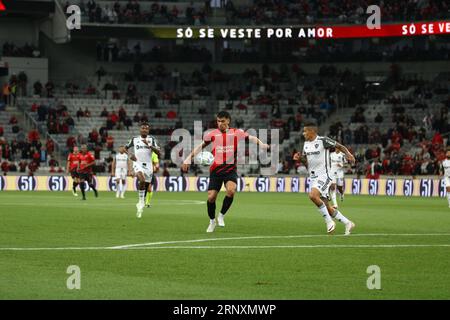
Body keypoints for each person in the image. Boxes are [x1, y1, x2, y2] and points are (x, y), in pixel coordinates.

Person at [182, 110, 269, 233]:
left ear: (228, 121)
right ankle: (212, 221)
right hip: (215, 171)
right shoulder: (212, 134)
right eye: (218, 121)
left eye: (222, 121)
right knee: (211, 197)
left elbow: (252, 137)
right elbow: (200, 146)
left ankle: (221, 215)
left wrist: (262, 144)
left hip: (230, 169)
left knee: (231, 191)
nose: (220, 123)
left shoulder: (236, 133)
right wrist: (187, 159)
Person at [293, 123, 355, 235]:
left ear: (312, 131)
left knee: (312, 195)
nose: (303, 133)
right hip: (313, 177)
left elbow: (339, 146)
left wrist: (348, 154)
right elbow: (307, 163)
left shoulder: (323, 140)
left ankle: (329, 222)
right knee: (326, 207)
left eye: (305, 131)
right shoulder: (306, 144)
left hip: (324, 175)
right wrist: (300, 159)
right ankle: (348, 223)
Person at [125, 122, 161, 218]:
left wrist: (150, 146)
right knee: (141, 179)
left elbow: (159, 153)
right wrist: (129, 155)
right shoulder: (134, 139)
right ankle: (141, 202)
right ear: (140, 129)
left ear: (148, 130)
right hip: (138, 163)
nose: (144, 130)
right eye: (143, 128)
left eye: (146, 128)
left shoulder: (152, 140)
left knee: (145, 186)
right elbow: (124, 148)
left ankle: (141, 203)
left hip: (149, 166)